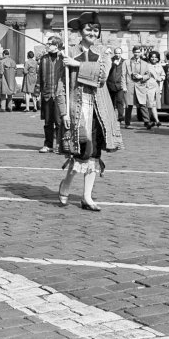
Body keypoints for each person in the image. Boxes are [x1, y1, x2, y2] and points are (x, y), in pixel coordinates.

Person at [57, 11, 123, 212]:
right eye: (88, 29)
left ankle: (87, 196)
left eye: (96, 30)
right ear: (81, 31)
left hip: (99, 110)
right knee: (79, 152)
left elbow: (102, 76)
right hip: (77, 109)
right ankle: (66, 184)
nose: (92, 33)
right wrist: (63, 113)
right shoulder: (69, 52)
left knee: (94, 153)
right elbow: (61, 86)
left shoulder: (104, 53)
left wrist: (78, 65)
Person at [34, 36, 67, 153]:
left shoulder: (63, 58)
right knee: (48, 122)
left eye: (50, 44)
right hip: (47, 94)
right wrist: (37, 91)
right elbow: (39, 77)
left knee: (59, 122)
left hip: (60, 95)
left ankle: (60, 145)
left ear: (56, 45)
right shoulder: (43, 59)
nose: (47, 45)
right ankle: (48, 144)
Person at [122, 45, 152, 129]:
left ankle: (147, 122)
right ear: (133, 52)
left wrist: (142, 77)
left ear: (141, 53)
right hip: (129, 86)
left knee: (143, 104)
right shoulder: (126, 62)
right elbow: (123, 75)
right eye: (135, 52)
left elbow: (148, 75)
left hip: (140, 86)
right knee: (129, 105)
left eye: (138, 52)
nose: (137, 54)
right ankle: (127, 123)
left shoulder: (145, 63)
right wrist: (124, 86)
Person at [145, 50, 165, 129]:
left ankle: (149, 122)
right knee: (151, 104)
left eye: (155, 57)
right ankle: (156, 121)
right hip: (148, 86)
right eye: (152, 57)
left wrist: (162, 78)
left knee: (152, 104)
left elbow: (163, 74)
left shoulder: (159, 66)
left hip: (156, 87)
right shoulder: (147, 65)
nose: (153, 59)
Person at [106, 47, 126, 122]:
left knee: (120, 101)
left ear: (121, 53)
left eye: (119, 53)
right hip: (110, 84)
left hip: (120, 85)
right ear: (114, 53)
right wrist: (112, 65)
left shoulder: (124, 62)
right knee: (111, 102)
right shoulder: (110, 60)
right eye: (116, 53)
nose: (118, 55)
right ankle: (110, 117)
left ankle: (121, 117)